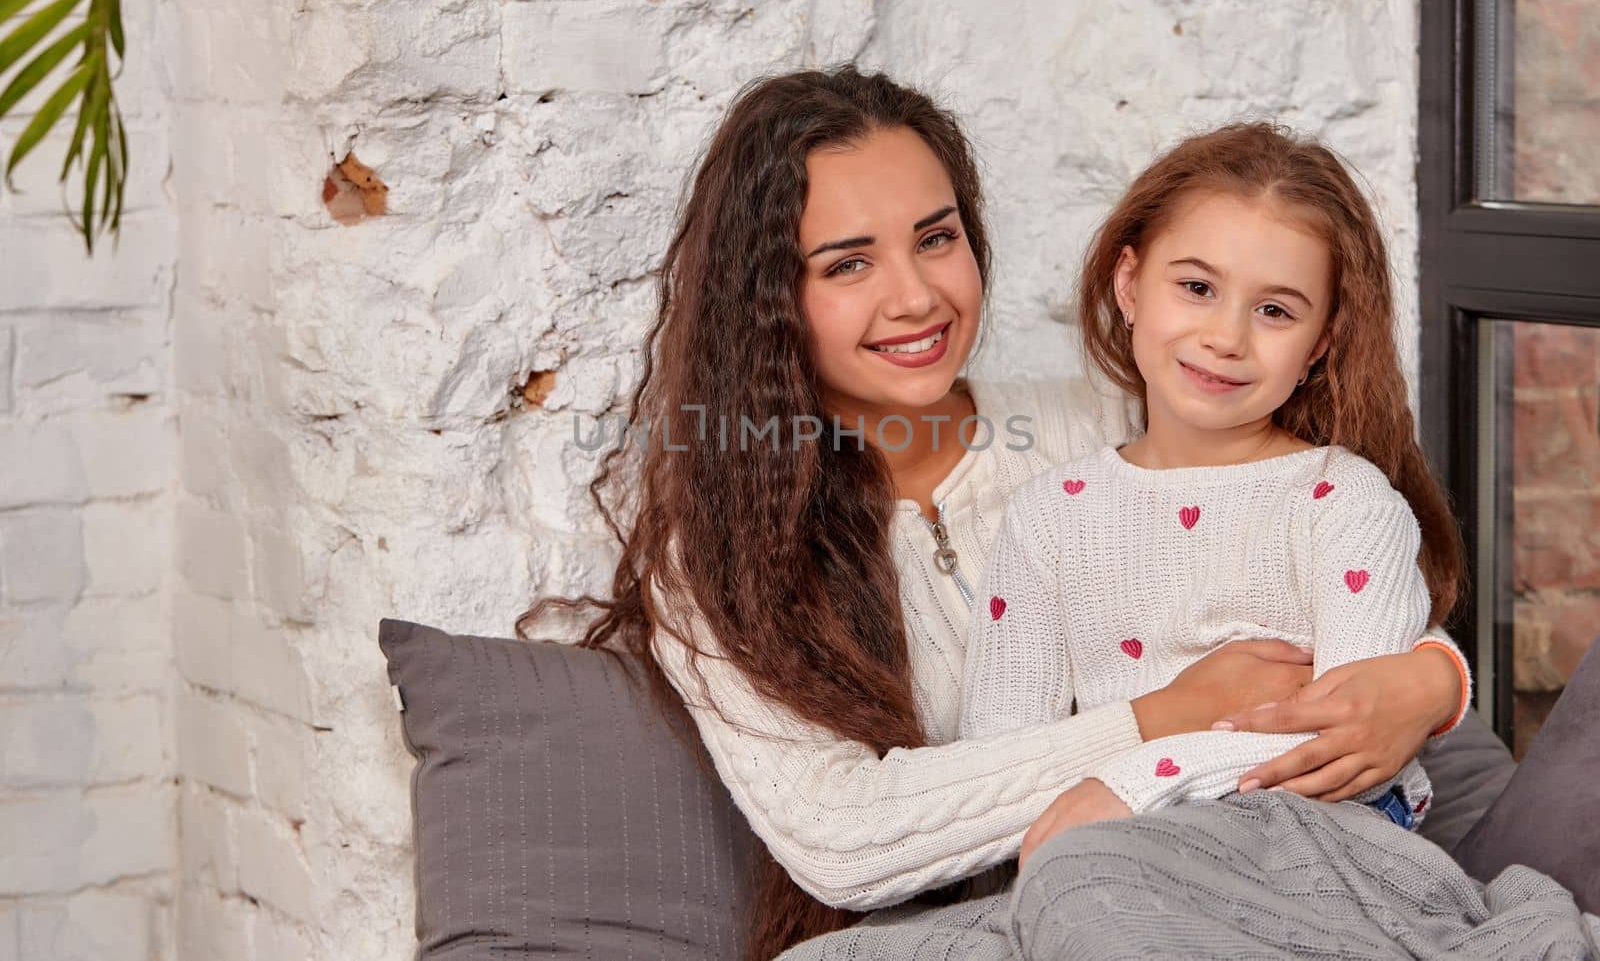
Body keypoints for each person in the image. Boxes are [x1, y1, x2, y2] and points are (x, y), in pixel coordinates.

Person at [520, 67, 1468, 961]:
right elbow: (843, 838)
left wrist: (1434, 682)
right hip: (1028, 912)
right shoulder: (716, 560)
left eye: (936, 239)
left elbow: (1324, 569)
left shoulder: (1111, 421)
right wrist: (1164, 718)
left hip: (1241, 873)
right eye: (849, 264)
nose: (917, 295)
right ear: (771, 298)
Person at [959, 122, 1466, 865]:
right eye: (1197, 287)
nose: (1227, 337)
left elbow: (1340, 748)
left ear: (1319, 345)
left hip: (1311, 838)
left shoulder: (1347, 504)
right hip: (1110, 854)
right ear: (1129, 285)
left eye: (1275, 311)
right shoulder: (1051, 515)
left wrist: (1131, 785)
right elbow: (1006, 753)